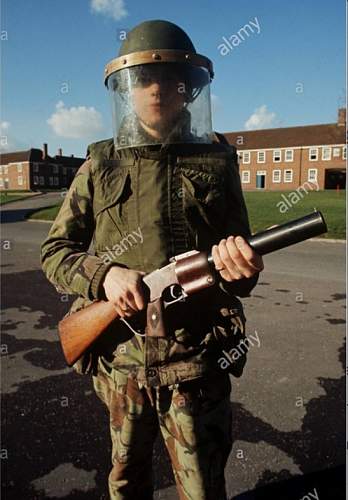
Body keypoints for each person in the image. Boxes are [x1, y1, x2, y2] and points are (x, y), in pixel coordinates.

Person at [41, 19, 264, 500]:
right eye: (143, 79)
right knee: (126, 482)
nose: (156, 89)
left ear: (190, 89)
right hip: (124, 365)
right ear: (127, 89)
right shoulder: (100, 164)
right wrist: (105, 275)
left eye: (169, 78)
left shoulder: (216, 160)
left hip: (196, 365)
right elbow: (55, 250)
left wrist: (240, 271)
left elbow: (238, 261)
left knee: (203, 489)